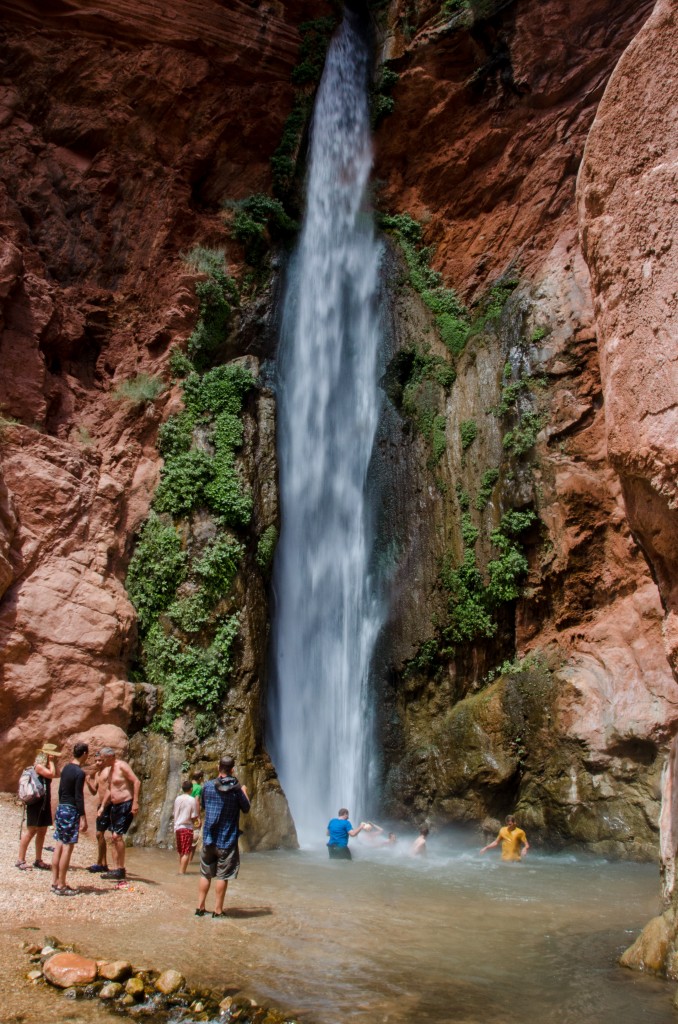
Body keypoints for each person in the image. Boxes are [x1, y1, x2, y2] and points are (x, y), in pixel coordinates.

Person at [195, 756, 250, 918]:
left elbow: (204, 805)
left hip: (209, 838)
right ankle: (218, 911)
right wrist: (244, 793)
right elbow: (246, 808)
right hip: (226, 840)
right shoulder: (237, 790)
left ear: (218, 767)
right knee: (222, 875)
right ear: (232, 769)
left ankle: (200, 907)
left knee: (205, 873)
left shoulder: (208, 786)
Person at [96, 747, 141, 881]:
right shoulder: (109, 770)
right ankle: (117, 869)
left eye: (103, 758)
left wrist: (135, 802)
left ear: (110, 757)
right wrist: (103, 806)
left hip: (125, 804)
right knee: (113, 837)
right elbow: (110, 790)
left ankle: (121, 869)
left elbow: (136, 781)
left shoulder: (122, 766)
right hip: (114, 806)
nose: (102, 760)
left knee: (117, 836)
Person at [51, 742, 89, 895]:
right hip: (71, 809)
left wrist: (60, 808)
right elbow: (79, 796)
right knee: (68, 846)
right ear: (85, 754)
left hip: (62, 807)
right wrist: (83, 817)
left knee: (59, 843)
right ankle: (61, 885)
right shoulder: (79, 773)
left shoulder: (66, 768)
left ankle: (55, 881)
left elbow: (60, 790)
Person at [16, 743, 59, 870]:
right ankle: (20, 859)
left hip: (44, 804)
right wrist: (51, 762)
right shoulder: (39, 767)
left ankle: (38, 859)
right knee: (31, 830)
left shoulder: (42, 766)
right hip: (36, 804)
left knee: (42, 830)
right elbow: (52, 774)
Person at [85, 750, 109, 873]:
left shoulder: (108, 771)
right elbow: (94, 791)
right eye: (96, 761)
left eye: (100, 760)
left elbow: (110, 790)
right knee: (99, 834)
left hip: (108, 805)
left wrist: (103, 806)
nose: (98, 763)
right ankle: (103, 863)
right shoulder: (98, 773)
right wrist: (88, 781)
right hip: (102, 805)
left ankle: (101, 863)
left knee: (100, 834)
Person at [173, 780, 201, 875]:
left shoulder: (177, 799)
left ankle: (180, 870)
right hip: (187, 828)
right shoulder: (191, 800)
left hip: (177, 827)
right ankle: (182, 873)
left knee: (181, 850)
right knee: (186, 852)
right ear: (191, 789)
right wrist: (196, 822)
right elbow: (193, 816)